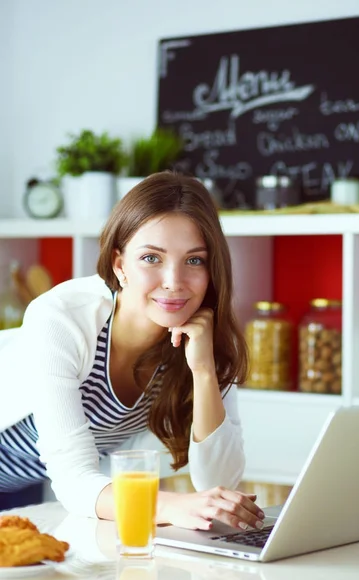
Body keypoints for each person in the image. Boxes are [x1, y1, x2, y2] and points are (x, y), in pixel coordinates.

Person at [0, 171, 265, 531]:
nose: (173, 281)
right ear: (119, 264)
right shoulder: (61, 318)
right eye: (152, 258)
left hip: (21, 484)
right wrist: (170, 506)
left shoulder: (203, 339)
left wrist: (204, 372)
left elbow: (219, 479)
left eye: (194, 260)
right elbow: (75, 478)